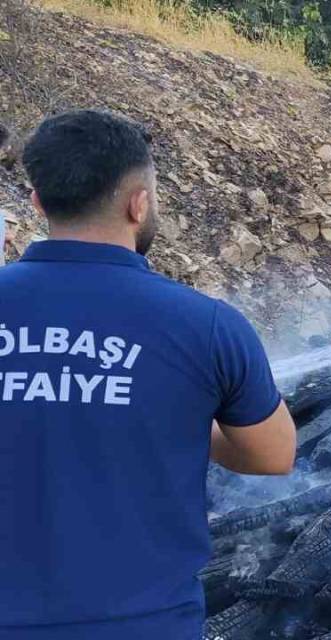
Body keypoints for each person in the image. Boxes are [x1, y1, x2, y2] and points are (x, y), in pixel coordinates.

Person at [0, 110, 297, 639]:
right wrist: (166, 415)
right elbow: (273, 455)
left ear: (39, 202)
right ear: (139, 203)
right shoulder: (206, 325)